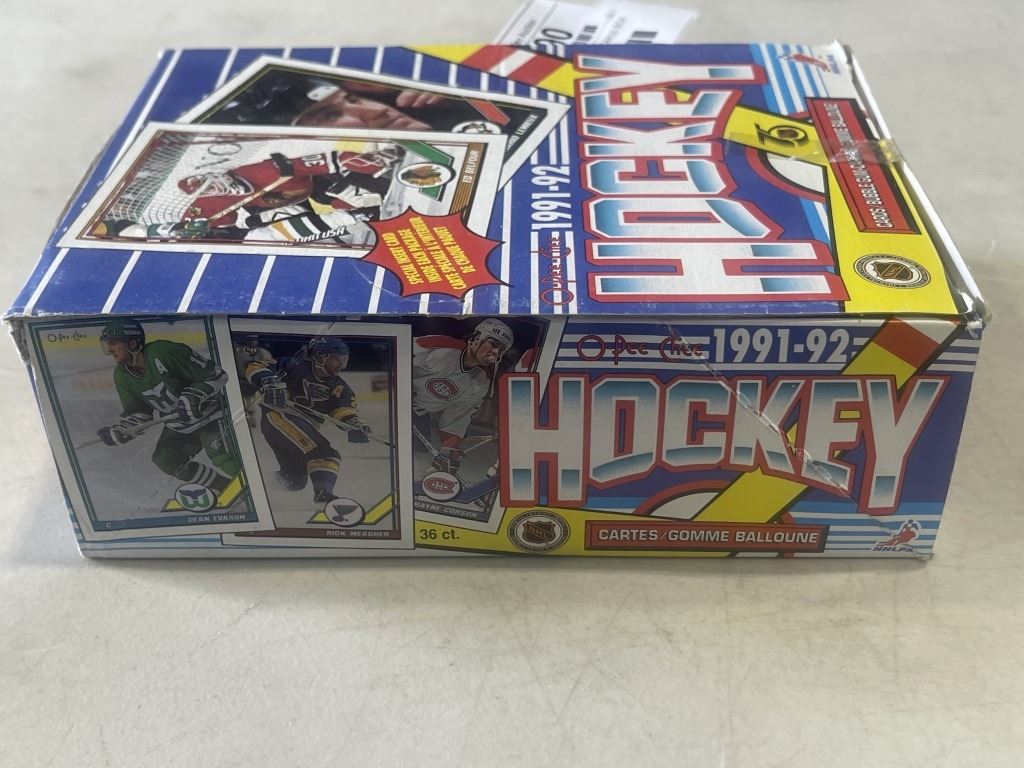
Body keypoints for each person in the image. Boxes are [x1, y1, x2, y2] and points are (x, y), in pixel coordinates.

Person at [96, 319, 238, 496]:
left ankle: (252, 485)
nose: (109, 350)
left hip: (211, 414)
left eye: (114, 343)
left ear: (131, 343)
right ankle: (226, 487)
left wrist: (194, 395)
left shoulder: (163, 352)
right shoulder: (121, 375)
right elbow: (140, 412)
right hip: (181, 425)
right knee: (166, 459)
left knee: (223, 457)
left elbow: (217, 375)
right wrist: (124, 430)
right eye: (108, 344)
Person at [244, 337, 373, 513]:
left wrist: (355, 425)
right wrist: (267, 380)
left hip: (299, 427)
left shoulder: (340, 387)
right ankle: (323, 495)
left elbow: (343, 411)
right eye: (337, 359)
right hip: (279, 416)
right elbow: (255, 366)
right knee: (324, 453)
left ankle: (250, 486)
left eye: (344, 360)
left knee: (294, 480)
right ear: (321, 357)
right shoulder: (292, 365)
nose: (341, 365)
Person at [411, 318, 514, 475]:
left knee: (418, 451)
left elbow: (456, 419)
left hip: (416, 412)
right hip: (390, 399)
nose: (496, 352)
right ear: (476, 338)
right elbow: (394, 351)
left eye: (501, 350)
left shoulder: (481, 382)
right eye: (493, 344)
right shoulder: (440, 347)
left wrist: (448, 452)